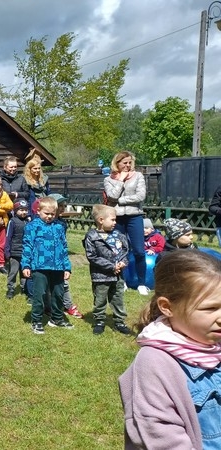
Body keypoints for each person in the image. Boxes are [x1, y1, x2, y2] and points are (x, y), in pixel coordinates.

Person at [119, 250, 221, 450]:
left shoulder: (214, 342)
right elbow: (162, 438)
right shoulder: (155, 364)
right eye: (210, 309)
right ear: (167, 307)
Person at [21, 197, 73, 334]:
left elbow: (64, 248)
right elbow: (27, 246)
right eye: (46, 213)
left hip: (57, 267)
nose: (50, 217)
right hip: (40, 266)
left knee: (58, 294)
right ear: (38, 211)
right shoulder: (32, 227)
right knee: (40, 294)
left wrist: (66, 267)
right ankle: (36, 320)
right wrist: (26, 265)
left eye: (52, 214)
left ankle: (57, 318)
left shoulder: (59, 227)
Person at [82, 204, 132, 335]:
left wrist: (122, 263)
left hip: (118, 275)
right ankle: (99, 320)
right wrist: (111, 266)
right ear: (100, 220)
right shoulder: (92, 236)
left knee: (118, 297)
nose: (115, 222)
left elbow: (126, 250)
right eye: (113, 219)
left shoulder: (119, 235)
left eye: (115, 219)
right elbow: (92, 256)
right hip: (101, 275)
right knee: (100, 298)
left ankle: (119, 321)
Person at [103, 151, 148, 295]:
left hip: (135, 216)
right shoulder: (109, 179)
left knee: (139, 251)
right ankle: (122, 281)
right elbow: (112, 195)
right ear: (117, 163)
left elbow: (141, 196)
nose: (128, 165)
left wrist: (121, 201)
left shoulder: (138, 176)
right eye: (124, 163)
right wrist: (121, 180)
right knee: (120, 251)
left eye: (130, 162)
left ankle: (141, 283)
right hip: (117, 218)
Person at [5, 200, 31, 299]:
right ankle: (10, 288)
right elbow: (8, 237)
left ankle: (25, 288)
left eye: (25, 210)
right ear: (15, 211)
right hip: (14, 252)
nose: (24, 212)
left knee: (25, 271)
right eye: (21, 210)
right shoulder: (12, 221)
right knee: (13, 272)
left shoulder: (28, 221)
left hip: (25, 252)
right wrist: (7, 251)